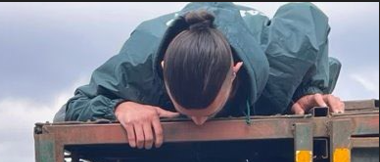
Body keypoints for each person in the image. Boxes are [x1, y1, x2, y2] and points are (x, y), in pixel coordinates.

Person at [55, 3, 344, 149]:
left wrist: (306, 90)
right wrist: (120, 107)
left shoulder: (282, 55)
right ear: (164, 69)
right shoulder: (138, 63)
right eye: (187, 112)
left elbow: (307, 16)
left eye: (209, 111)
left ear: (235, 73)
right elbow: (69, 111)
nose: (198, 123)